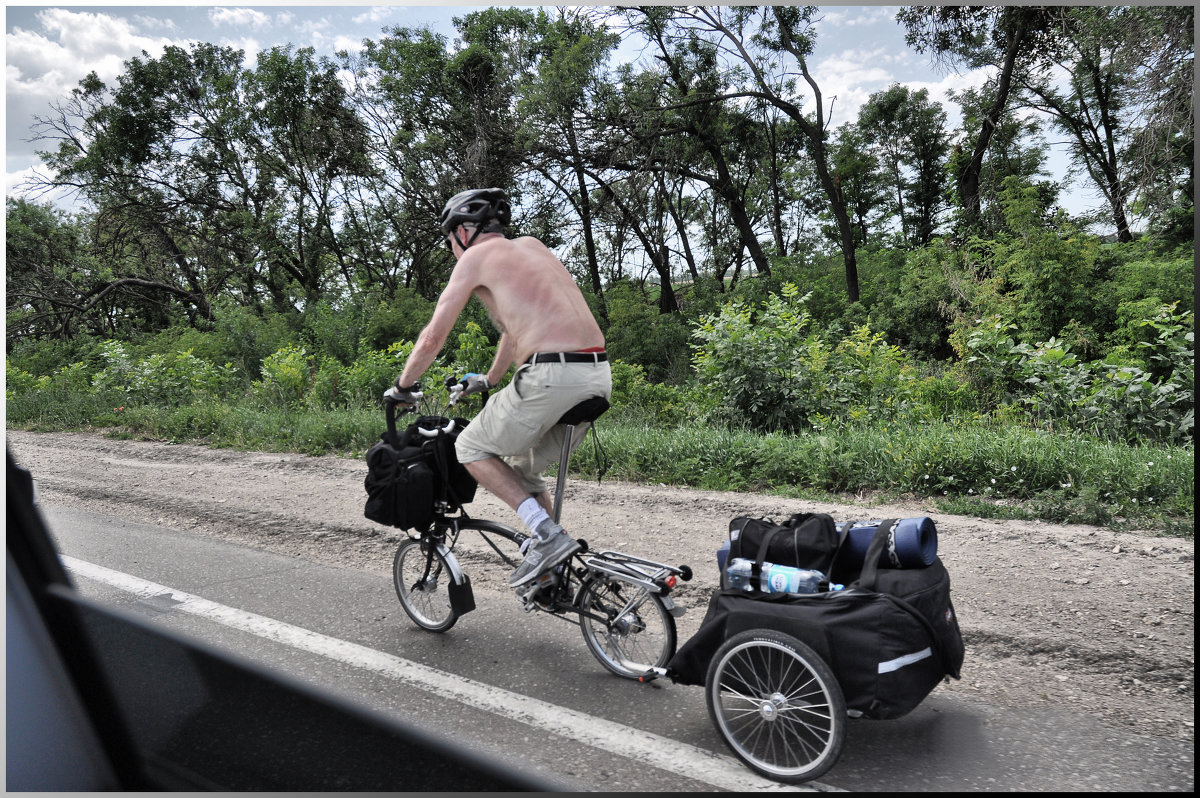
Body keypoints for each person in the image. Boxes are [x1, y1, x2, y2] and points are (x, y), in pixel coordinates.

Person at [385, 188, 611, 591]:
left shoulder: (475, 258)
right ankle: (553, 571)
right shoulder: (532, 247)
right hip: (596, 374)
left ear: (465, 231)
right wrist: (490, 380)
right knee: (522, 470)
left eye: (450, 236)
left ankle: (547, 536)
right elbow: (513, 330)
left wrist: (403, 386)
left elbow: (433, 337)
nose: (452, 246)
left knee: (469, 447)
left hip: (551, 376)